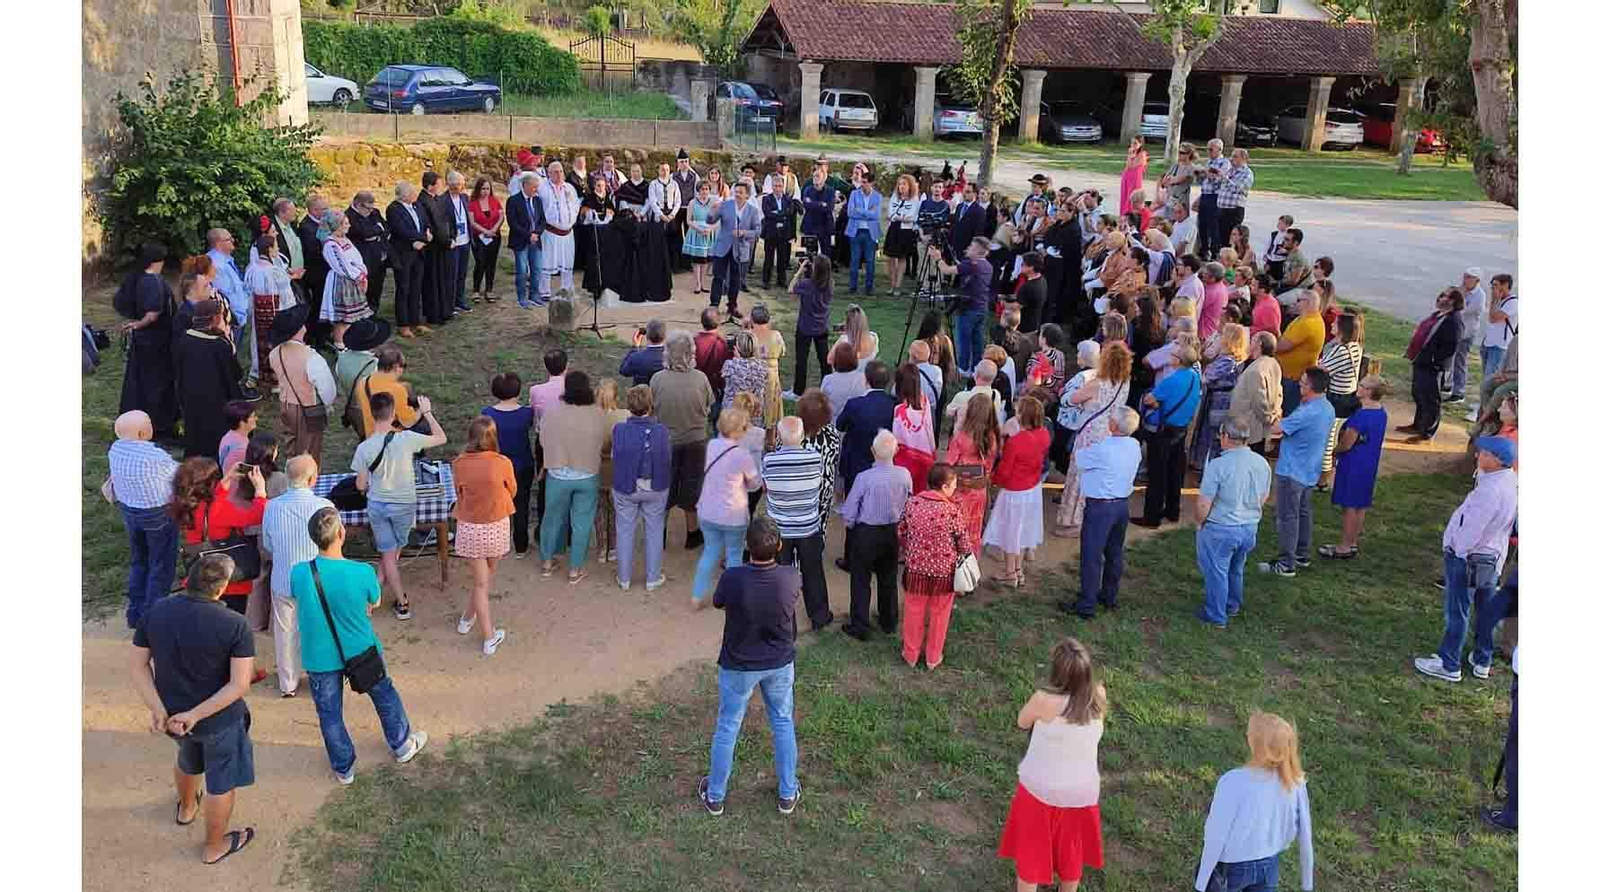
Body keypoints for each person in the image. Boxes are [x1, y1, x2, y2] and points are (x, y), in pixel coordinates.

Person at [128, 553, 257, 864]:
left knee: (188, 759)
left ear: (189, 580)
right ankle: (214, 847)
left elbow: (138, 665)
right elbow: (239, 685)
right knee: (220, 782)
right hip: (218, 720)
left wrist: (158, 709)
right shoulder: (235, 624)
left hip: (173, 715)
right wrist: (197, 715)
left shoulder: (157, 610)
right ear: (222, 587)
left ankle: (186, 809)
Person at [291, 507, 429, 785]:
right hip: (361, 650)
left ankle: (344, 768)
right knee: (384, 696)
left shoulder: (299, 573)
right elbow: (374, 602)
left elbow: (296, 597)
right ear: (341, 534)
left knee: (329, 714)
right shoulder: (362, 571)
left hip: (319, 656)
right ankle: (402, 744)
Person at [696, 516, 801, 816]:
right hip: (779, 661)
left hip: (739, 663)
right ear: (779, 546)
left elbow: (718, 602)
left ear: (746, 547)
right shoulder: (791, 577)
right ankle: (787, 793)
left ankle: (715, 796)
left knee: (728, 725)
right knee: (782, 721)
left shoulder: (733, 577)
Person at [997, 638, 1108, 892]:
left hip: (1039, 791)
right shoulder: (1098, 696)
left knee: (1031, 857)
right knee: (1072, 855)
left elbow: (1022, 722)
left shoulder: (1044, 699)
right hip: (1082, 793)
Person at [1413, 436, 1518, 683]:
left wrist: (1455, 550)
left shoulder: (1489, 491)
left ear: (1495, 460)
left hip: (1469, 558)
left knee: (1457, 611)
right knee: (1485, 610)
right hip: (1493, 557)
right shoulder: (1510, 482)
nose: (1477, 455)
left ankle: (1449, 664)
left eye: (1483, 453)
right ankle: (1482, 659)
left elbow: (1472, 528)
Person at [352, 389, 447, 623]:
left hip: (377, 504)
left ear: (372, 414)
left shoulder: (364, 447)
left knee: (388, 553)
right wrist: (428, 413)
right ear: (393, 412)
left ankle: (372, 599)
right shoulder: (407, 439)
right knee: (392, 552)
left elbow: (361, 485)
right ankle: (400, 602)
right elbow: (441, 438)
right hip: (403, 504)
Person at [1194, 712, 1315, 892]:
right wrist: (1307, 884)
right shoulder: (1295, 782)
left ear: (1258, 745)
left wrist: (1201, 884)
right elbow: (1306, 837)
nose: (1247, 736)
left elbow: (1215, 836)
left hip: (1232, 868)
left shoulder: (1233, 781)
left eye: (1250, 734)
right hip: (1270, 865)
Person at [1059, 406, 1142, 619]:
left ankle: (1086, 604)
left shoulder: (1104, 448)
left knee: (1091, 555)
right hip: (1121, 505)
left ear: (1113, 425)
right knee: (1114, 552)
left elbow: (1078, 459)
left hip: (1100, 507)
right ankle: (1108, 595)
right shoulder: (1134, 445)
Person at [1193, 419, 1273, 627]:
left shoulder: (1218, 465)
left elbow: (1204, 503)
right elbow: (1264, 496)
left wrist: (1200, 523)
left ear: (1226, 436)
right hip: (1249, 527)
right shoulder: (1261, 463)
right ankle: (1232, 605)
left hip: (1221, 527)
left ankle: (1216, 615)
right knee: (1236, 568)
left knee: (1216, 570)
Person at [1258, 369, 1336, 578]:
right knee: (1303, 513)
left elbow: (1277, 429)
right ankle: (1301, 554)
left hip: (1292, 471)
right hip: (1310, 469)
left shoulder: (1305, 412)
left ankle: (1286, 563)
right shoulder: (1327, 407)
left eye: (1302, 383)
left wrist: (1275, 417)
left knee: (1287, 517)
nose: (1299, 385)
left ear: (1310, 387)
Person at [108, 410, 182, 627]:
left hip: (129, 511)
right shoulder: (154, 457)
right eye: (149, 423)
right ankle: (153, 617)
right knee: (160, 564)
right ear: (142, 432)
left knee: (139, 561)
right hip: (157, 514)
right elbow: (178, 473)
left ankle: (135, 612)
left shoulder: (115, 449)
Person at [837, 430, 911, 641]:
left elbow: (850, 508)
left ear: (872, 451)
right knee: (888, 577)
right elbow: (908, 501)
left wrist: (850, 524)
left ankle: (860, 625)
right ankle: (889, 620)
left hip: (866, 532)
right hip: (892, 531)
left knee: (860, 579)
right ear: (896, 450)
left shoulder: (864, 478)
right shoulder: (904, 475)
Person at [763, 416, 834, 631]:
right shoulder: (815, 458)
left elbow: (766, 488)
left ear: (780, 438)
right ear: (802, 436)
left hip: (780, 529)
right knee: (813, 571)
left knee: (780, 576)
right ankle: (819, 616)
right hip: (808, 526)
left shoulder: (769, 460)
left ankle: (784, 621)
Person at [538, 371, 609, 584]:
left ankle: (547, 563)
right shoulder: (598, 413)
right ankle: (575, 570)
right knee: (582, 522)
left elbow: (542, 441)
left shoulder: (551, 412)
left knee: (551, 519)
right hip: (587, 473)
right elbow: (604, 442)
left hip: (558, 473)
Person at [899, 463, 972, 670]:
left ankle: (910, 654)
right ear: (945, 486)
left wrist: (912, 549)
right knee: (940, 614)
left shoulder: (912, 503)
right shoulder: (952, 511)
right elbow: (964, 544)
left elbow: (902, 531)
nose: (955, 488)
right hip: (944, 573)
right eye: (954, 484)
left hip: (915, 569)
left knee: (913, 611)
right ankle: (933, 657)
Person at [452, 418, 515, 654]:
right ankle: (489, 637)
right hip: (496, 524)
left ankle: (467, 619)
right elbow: (513, 489)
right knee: (484, 580)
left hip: (469, 526)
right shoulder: (502, 462)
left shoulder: (459, 463)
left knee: (482, 581)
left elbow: (459, 490)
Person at [174, 456, 265, 617]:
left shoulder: (186, 503)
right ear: (209, 484)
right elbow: (254, 516)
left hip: (199, 575)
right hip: (227, 584)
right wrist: (260, 493)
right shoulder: (219, 508)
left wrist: (227, 479)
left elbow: (211, 504)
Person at [692, 406, 765, 607]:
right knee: (734, 554)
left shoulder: (712, 445)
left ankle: (697, 595)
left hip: (707, 511)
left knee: (710, 551)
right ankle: (732, 597)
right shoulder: (742, 454)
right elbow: (755, 483)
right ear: (740, 430)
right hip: (733, 515)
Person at [1057, 343, 1132, 534]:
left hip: (1090, 433)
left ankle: (1074, 521)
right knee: (1095, 477)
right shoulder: (1125, 382)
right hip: (1109, 432)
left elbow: (1070, 400)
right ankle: (1086, 519)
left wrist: (1065, 394)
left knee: (1079, 476)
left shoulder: (1097, 384)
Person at [651, 331, 717, 551]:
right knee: (692, 486)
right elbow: (709, 404)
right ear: (691, 353)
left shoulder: (657, 379)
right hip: (695, 440)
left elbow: (652, 408)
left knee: (664, 486)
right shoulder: (700, 378)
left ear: (668, 353)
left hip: (665, 441)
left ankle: (659, 534)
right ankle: (692, 533)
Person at [1319, 375, 1389, 559]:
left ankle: (1344, 546)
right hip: (1369, 462)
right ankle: (1352, 542)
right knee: (1361, 504)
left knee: (1350, 505)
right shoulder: (1381, 413)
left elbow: (1347, 443)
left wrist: (1334, 451)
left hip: (1353, 463)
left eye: (1362, 385)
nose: (1358, 386)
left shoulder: (1361, 415)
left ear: (1368, 392)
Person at [610, 384, 672, 591]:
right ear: (651, 405)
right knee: (654, 530)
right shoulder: (662, 431)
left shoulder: (619, 430)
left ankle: (624, 578)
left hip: (625, 486)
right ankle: (653, 578)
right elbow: (667, 458)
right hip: (656, 487)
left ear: (628, 406)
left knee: (625, 530)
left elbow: (614, 456)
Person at [985, 396, 1050, 589]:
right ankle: (1018, 569)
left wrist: (993, 479)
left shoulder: (1017, 442)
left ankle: (1009, 572)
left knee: (1010, 532)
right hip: (1033, 488)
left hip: (1014, 491)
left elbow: (1005, 470)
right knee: (1023, 531)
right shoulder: (1044, 433)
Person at [173, 300, 246, 461]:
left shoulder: (184, 339)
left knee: (195, 433)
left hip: (191, 398)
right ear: (215, 319)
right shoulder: (219, 345)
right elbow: (235, 375)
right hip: (216, 403)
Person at [267, 304, 336, 468]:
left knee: (291, 447)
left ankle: (291, 477)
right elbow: (328, 390)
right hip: (308, 408)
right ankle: (306, 485)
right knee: (310, 452)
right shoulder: (312, 358)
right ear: (298, 330)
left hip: (285, 405)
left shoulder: (274, 353)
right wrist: (327, 404)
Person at [481, 372, 537, 558]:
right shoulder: (527, 413)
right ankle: (521, 546)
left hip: (495, 466)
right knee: (521, 504)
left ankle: (497, 544)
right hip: (522, 465)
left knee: (497, 504)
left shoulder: (488, 413)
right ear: (518, 390)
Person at [1400, 288, 1464, 443]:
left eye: (1445, 296)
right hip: (1421, 361)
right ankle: (1418, 425)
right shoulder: (1437, 315)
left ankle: (1427, 433)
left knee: (1431, 401)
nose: (1440, 297)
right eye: (1441, 294)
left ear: (1453, 301)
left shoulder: (1453, 321)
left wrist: (1434, 360)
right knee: (1419, 394)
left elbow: (1451, 347)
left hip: (1433, 367)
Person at [943, 392, 1000, 552]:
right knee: (973, 530)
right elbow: (989, 465)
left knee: (956, 530)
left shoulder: (961, 437)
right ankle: (970, 564)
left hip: (960, 490)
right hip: (979, 490)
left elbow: (948, 465)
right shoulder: (993, 438)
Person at [1315, 313, 1364, 486]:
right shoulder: (1355, 347)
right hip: (1347, 399)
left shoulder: (1340, 351)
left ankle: (1323, 479)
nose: (1332, 324)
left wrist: (1319, 363)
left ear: (1343, 329)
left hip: (1336, 401)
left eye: (1335, 323)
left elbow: (1321, 370)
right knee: (1332, 437)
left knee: (1328, 440)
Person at [837, 360, 898, 498]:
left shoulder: (855, 404)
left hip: (855, 461)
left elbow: (840, 425)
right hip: (883, 460)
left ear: (866, 380)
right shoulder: (894, 404)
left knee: (853, 498)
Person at [935, 237, 995, 375]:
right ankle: (976, 367)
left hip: (968, 309)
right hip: (981, 307)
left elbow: (945, 270)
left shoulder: (971, 265)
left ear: (978, 251)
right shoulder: (987, 266)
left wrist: (938, 258)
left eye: (971, 247)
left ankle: (963, 369)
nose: (968, 248)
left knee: (963, 340)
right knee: (977, 340)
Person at [1194, 323, 1248, 469]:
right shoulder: (1230, 358)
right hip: (1217, 401)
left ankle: (1209, 470)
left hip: (1218, 404)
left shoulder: (1228, 361)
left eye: (1223, 334)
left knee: (1214, 439)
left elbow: (1205, 377)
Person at [318, 210, 373, 349]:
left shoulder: (345, 240)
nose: (349, 225)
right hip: (341, 282)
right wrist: (358, 276)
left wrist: (362, 271)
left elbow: (356, 257)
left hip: (353, 280)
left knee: (353, 317)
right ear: (337, 226)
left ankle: (350, 342)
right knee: (343, 318)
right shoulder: (330, 244)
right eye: (346, 223)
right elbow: (341, 266)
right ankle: (340, 345)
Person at [709, 180, 762, 317]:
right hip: (722, 247)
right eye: (735, 192)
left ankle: (732, 307)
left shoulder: (753, 211)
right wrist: (712, 211)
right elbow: (710, 221)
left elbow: (757, 231)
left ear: (747, 195)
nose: (737, 194)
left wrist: (744, 233)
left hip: (740, 250)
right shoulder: (725, 205)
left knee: (735, 279)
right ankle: (714, 305)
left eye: (740, 192)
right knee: (718, 277)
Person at [1229, 332, 1283, 456]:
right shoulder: (1274, 364)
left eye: (1253, 339)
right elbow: (1279, 393)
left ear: (1259, 344)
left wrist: (1269, 418)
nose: (1249, 341)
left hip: (1250, 428)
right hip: (1259, 426)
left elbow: (1259, 402)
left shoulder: (1256, 371)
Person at [385, 182, 428, 336]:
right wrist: (422, 237)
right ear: (404, 195)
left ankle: (415, 321)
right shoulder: (393, 209)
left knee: (416, 288)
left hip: (419, 252)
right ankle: (403, 324)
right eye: (412, 192)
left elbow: (424, 222)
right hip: (403, 254)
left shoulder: (416, 206)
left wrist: (424, 236)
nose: (415, 194)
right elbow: (401, 230)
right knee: (404, 288)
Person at [787, 255, 834, 399]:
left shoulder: (807, 284)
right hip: (821, 327)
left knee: (802, 360)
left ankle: (798, 391)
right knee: (824, 360)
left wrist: (799, 271)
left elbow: (790, 289)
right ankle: (827, 390)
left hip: (805, 327)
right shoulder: (830, 283)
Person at [1274, 289, 1326, 417]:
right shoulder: (1308, 318)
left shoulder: (1307, 323)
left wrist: (1269, 343)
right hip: (1292, 374)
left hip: (1292, 377)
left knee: (1286, 411)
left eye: (1298, 300)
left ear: (1307, 303)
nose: (1295, 303)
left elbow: (1281, 346)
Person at [354, 344, 423, 438]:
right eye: (403, 365)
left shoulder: (363, 382)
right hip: (392, 440)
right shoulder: (397, 390)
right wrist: (421, 410)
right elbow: (408, 422)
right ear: (396, 367)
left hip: (371, 436)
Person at [891, 363, 939, 492]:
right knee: (920, 489)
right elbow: (929, 427)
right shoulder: (924, 401)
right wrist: (933, 450)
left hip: (904, 457)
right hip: (924, 454)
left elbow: (896, 437)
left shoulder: (898, 409)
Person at [417, 172, 457, 325]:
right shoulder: (423, 201)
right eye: (439, 184)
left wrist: (452, 237)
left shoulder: (437, 199)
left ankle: (445, 310)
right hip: (434, 248)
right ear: (430, 186)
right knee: (433, 282)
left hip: (444, 246)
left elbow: (447, 219)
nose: (442, 187)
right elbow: (433, 226)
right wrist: (446, 241)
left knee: (443, 280)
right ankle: (435, 314)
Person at [538, 159, 581, 297]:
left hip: (568, 232)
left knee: (567, 261)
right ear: (549, 173)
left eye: (561, 171)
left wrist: (571, 220)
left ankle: (566, 289)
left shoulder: (570, 188)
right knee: (547, 261)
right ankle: (544, 291)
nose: (559, 174)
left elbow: (576, 205)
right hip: (550, 231)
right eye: (555, 172)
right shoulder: (543, 188)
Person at [506, 168, 546, 309]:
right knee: (522, 270)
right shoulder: (513, 201)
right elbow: (513, 223)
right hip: (521, 241)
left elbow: (542, 220)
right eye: (534, 187)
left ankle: (534, 295)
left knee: (537, 269)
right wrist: (529, 235)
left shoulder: (537, 200)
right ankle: (522, 297)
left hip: (536, 240)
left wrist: (536, 234)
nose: (536, 190)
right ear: (525, 185)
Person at [346, 191, 390, 312]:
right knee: (364, 292)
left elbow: (386, 228)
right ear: (358, 204)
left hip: (379, 259)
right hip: (363, 262)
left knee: (376, 291)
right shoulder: (348, 216)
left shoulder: (374, 212)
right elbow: (364, 233)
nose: (371, 211)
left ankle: (374, 315)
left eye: (372, 208)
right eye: (368, 208)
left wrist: (375, 232)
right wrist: (377, 230)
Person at [844, 170, 882, 294]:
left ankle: (869, 287)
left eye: (865, 183)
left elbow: (876, 215)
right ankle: (853, 286)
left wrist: (860, 211)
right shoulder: (854, 194)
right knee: (854, 259)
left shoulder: (877, 197)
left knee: (870, 260)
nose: (863, 185)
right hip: (855, 231)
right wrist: (868, 213)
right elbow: (850, 213)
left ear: (872, 183)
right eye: (862, 182)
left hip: (870, 232)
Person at [466, 177, 503, 303]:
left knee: (491, 263)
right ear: (478, 189)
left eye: (487, 188)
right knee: (480, 263)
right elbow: (472, 222)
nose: (485, 191)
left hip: (494, 236)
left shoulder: (494, 201)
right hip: (479, 237)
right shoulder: (472, 203)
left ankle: (489, 290)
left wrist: (494, 229)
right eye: (483, 189)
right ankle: (476, 290)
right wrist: (485, 231)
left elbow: (501, 216)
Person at [721, 329, 769, 421]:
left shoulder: (730, 365)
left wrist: (737, 359)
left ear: (737, 348)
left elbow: (726, 379)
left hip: (732, 413)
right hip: (753, 411)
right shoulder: (763, 366)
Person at [1479, 273, 1517, 390]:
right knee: (1485, 378)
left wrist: (1494, 300)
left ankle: (1487, 407)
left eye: (1495, 285)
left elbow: (1493, 318)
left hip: (1499, 346)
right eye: (1492, 286)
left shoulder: (1513, 303)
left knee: (1490, 380)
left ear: (1505, 285)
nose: (1492, 289)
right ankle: (1484, 406)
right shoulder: (1499, 301)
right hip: (1488, 343)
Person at [760, 171, 798, 288]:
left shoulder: (788, 199)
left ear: (783, 187)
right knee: (768, 258)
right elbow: (768, 214)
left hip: (784, 234)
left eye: (780, 186)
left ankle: (781, 281)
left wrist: (777, 214)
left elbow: (790, 213)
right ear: (772, 187)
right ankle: (766, 281)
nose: (778, 188)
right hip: (771, 233)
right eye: (775, 186)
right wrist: (782, 215)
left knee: (782, 259)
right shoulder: (767, 199)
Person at [684, 179, 718, 294]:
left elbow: (719, 220)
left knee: (706, 261)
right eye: (702, 189)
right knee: (697, 261)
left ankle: (703, 283)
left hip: (709, 233)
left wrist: (710, 229)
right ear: (698, 191)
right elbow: (688, 220)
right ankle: (697, 284)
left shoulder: (714, 202)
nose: (705, 191)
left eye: (707, 189)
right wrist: (699, 229)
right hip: (696, 232)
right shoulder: (692, 202)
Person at [1215, 148, 1254, 247]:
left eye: (1235, 156)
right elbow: (1220, 185)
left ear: (1244, 158)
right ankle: (1221, 257)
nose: (1231, 159)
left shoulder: (1247, 173)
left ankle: (1230, 259)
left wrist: (1225, 178)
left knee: (1231, 239)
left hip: (1234, 211)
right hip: (1221, 209)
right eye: (1231, 156)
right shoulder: (1230, 170)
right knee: (1220, 238)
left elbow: (1237, 189)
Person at [800, 163, 838, 261]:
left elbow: (829, 208)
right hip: (810, 226)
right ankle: (810, 273)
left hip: (825, 227)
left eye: (818, 176)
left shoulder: (830, 191)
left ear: (824, 178)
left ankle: (825, 274)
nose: (815, 178)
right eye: (814, 176)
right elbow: (806, 205)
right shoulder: (808, 190)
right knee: (810, 254)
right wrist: (821, 204)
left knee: (826, 255)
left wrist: (813, 203)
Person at [671, 149, 700, 273]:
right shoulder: (673, 176)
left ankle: (688, 263)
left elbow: (696, 193)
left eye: (686, 161)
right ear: (678, 163)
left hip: (689, 208)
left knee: (689, 236)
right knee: (677, 235)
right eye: (681, 161)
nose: (684, 164)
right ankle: (677, 264)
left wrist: (695, 209)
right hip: (677, 209)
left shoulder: (694, 176)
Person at [620, 319, 668, 386]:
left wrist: (635, 347)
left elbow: (623, 371)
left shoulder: (636, 357)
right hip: (662, 395)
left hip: (641, 394)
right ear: (664, 336)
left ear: (647, 336)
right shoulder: (671, 357)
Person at [1119, 137, 1148, 215]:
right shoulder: (1132, 152)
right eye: (1132, 143)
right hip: (1126, 177)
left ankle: (1132, 216)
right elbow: (1128, 165)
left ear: (1140, 144)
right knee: (1125, 197)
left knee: (1133, 197)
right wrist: (1130, 155)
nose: (1133, 145)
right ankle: (1123, 215)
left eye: (1135, 143)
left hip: (1135, 179)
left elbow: (1132, 165)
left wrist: (1131, 155)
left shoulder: (1142, 154)